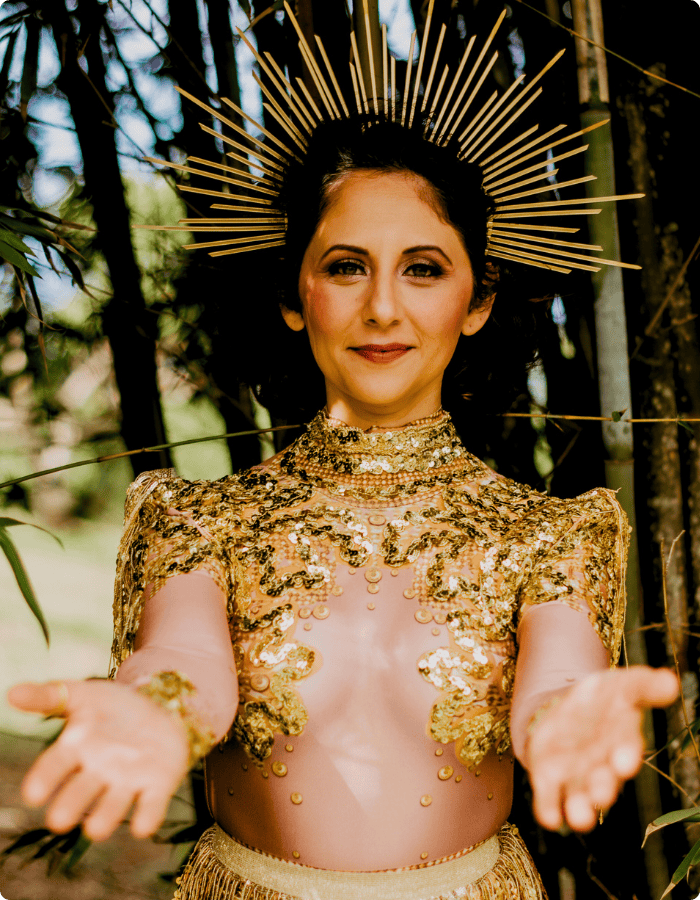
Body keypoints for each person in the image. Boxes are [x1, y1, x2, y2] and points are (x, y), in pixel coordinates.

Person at [8, 10, 679, 899]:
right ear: (296, 295)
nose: (383, 308)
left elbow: (559, 675)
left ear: (477, 299)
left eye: (424, 268)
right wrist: (151, 708)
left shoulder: (548, 534)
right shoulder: (201, 520)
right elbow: (186, 659)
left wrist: (565, 718)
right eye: (346, 266)